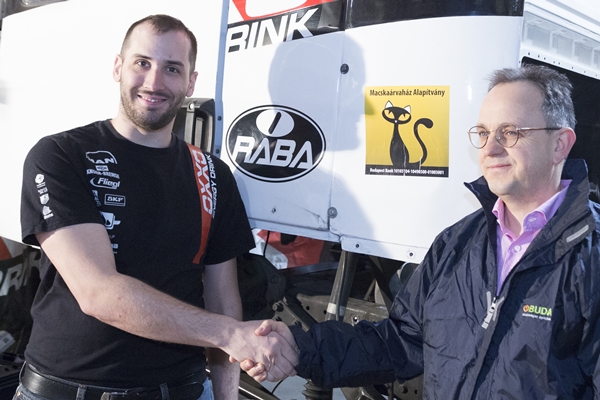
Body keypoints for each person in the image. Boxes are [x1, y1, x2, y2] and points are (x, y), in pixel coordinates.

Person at [240, 64, 600, 398]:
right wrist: (299, 348)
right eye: (483, 133)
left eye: (510, 132)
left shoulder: (591, 254)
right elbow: (400, 342)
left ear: (560, 144)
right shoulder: (457, 243)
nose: (490, 148)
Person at [16, 14, 296, 400]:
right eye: (142, 63)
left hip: (180, 389)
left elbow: (223, 300)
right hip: (66, 391)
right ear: (118, 67)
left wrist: (227, 394)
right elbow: (98, 292)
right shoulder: (62, 155)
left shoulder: (212, 175)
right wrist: (232, 334)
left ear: (190, 82)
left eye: (172, 68)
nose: (154, 82)